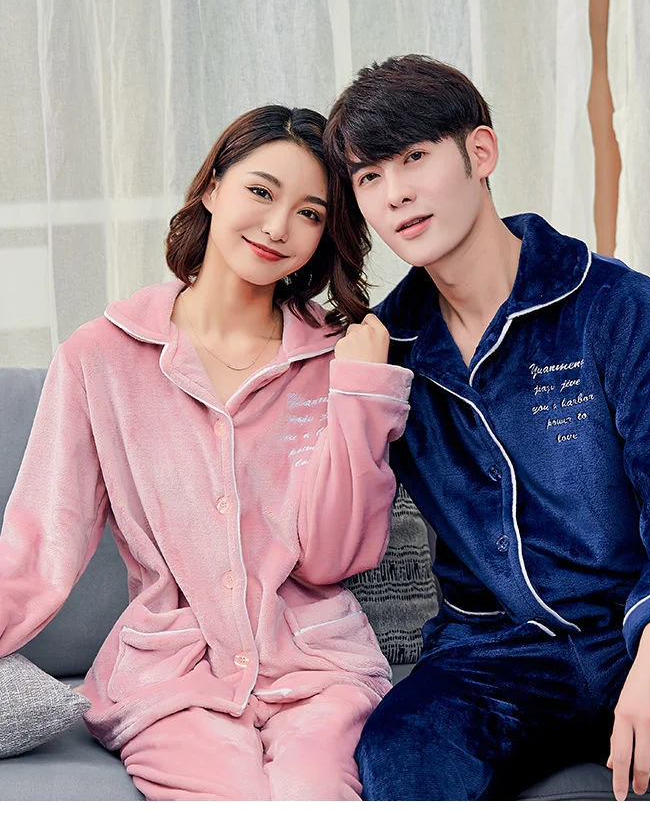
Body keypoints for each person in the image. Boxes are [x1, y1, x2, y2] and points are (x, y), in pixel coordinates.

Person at [323, 54, 650, 801]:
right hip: (494, 655)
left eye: (415, 158)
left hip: (645, 619)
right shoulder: (387, 351)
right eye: (369, 177)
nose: (396, 194)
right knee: (398, 751)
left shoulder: (608, 301)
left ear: (479, 152)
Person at [0, 105, 413, 800]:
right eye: (260, 192)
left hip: (319, 670)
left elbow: (332, 559)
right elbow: (41, 543)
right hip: (172, 677)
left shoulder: (335, 360)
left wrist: (361, 395)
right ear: (213, 187)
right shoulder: (101, 356)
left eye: (309, 213)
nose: (278, 227)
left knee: (317, 796)